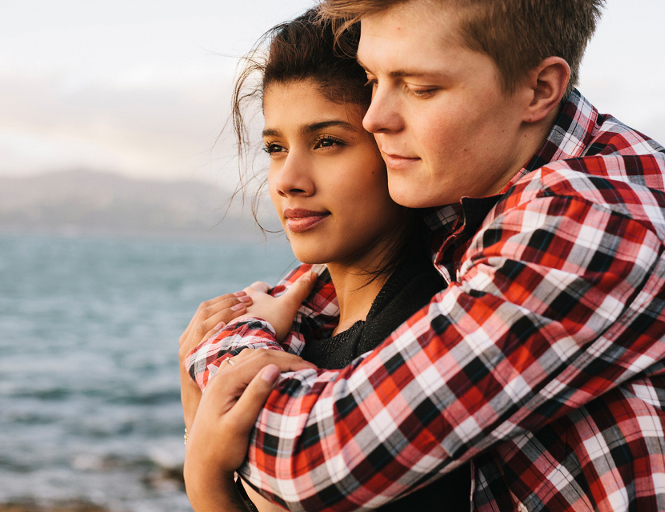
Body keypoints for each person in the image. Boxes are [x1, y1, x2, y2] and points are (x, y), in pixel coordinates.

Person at [186, 0, 665, 511]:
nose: (375, 119)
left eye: (419, 88)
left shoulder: (600, 220)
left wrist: (226, 349)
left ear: (539, 89)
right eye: (374, 81)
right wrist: (238, 333)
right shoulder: (475, 198)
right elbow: (314, 292)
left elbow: (319, 457)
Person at [180, 9, 475, 512]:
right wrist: (197, 388)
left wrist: (206, 479)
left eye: (327, 142)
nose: (288, 179)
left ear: (393, 143)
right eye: (275, 147)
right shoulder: (302, 320)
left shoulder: (420, 337)